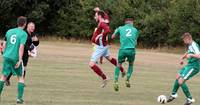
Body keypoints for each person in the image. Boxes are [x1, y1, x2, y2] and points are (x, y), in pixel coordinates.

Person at [89, 11, 124, 88]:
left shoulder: (102, 23)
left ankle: (105, 78)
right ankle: (122, 70)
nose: (95, 17)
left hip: (100, 47)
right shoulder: (101, 22)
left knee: (91, 64)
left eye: (96, 15)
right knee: (110, 59)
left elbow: (108, 30)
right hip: (103, 45)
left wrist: (99, 35)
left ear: (99, 16)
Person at [0, 16, 27, 104]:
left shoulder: (9, 31)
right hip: (15, 58)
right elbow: (21, 47)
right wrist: (19, 60)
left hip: (7, 56)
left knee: (3, 76)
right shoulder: (23, 34)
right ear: (25, 24)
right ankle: (19, 99)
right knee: (21, 77)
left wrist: (4, 53)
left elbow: (4, 44)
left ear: (17, 23)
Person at [167, 33, 200, 105]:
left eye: (184, 40)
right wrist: (182, 58)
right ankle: (173, 94)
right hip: (189, 65)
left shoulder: (194, 45)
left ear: (188, 39)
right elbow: (188, 52)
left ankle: (190, 99)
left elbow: (199, 55)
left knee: (181, 81)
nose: (183, 42)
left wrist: (191, 55)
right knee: (178, 76)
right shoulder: (190, 45)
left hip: (194, 67)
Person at [5, 22, 39, 86]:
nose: (32, 28)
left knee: (24, 68)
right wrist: (29, 49)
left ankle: (21, 82)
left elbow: (36, 44)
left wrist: (36, 41)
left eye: (33, 27)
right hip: (21, 52)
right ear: (27, 27)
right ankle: (7, 78)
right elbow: (23, 44)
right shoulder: (24, 33)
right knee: (16, 66)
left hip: (26, 53)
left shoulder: (33, 34)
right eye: (31, 26)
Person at [112, 17, 139, 91]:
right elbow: (135, 42)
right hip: (131, 50)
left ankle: (116, 81)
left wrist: (115, 31)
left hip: (123, 50)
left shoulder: (120, 28)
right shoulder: (135, 30)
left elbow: (112, 37)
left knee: (119, 64)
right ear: (131, 22)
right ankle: (127, 79)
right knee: (131, 64)